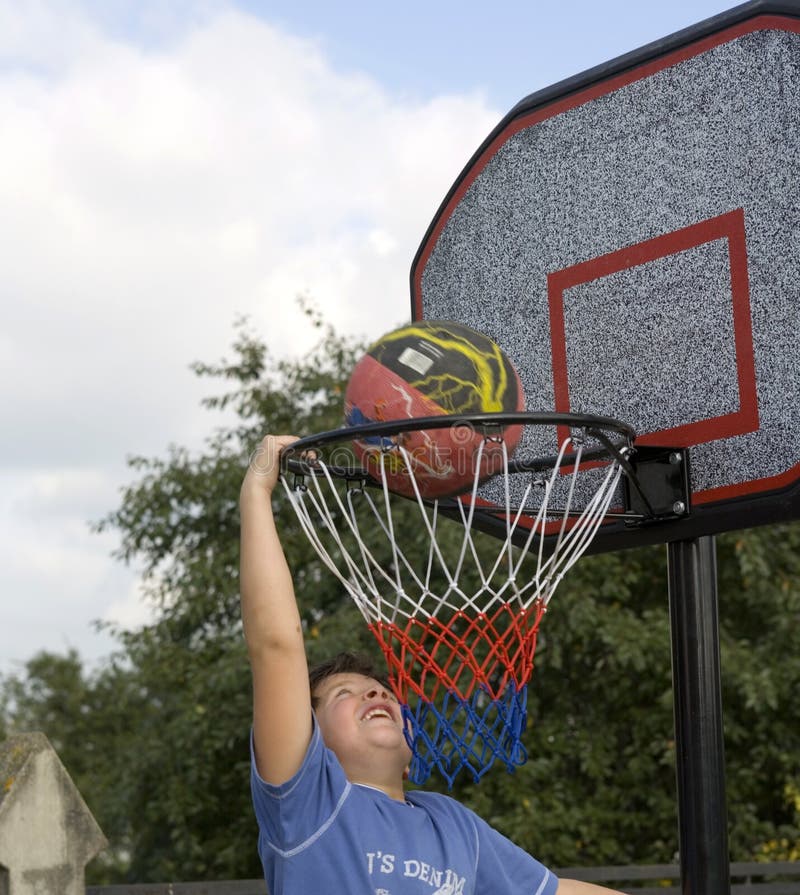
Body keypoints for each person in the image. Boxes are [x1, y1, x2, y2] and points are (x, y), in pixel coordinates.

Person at [240, 433, 623, 895]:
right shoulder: (309, 804)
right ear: (311, 741)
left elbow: (557, 892)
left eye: (381, 692)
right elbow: (276, 645)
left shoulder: (454, 826)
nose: (377, 693)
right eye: (345, 694)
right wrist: (257, 492)